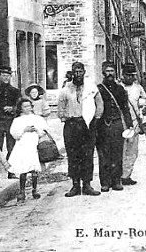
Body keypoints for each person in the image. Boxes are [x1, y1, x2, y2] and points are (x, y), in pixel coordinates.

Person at [57, 62, 103, 197]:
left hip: (87, 125)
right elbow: (61, 108)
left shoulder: (91, 87)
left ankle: (87, 185)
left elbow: (99, 103)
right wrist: (66, 116)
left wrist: (96, 118)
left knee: (87, 155)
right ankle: (75, 185)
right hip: (72, 126)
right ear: (72, 73)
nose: (78, 74)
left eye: (80, 71)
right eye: (75, 72)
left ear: (84, 72)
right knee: (73, 155)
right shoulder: (66, 89)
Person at [96, 61, 134, 192]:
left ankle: (116, 180)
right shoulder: (98, 89)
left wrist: (129, 125)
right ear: (103, 73)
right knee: (104, 154)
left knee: (117, 153)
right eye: (107, 71)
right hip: (103, 125)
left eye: (112, 71)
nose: (110, 74)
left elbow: (125, 108)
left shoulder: (120, 89)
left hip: (117, 124)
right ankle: (105, 182)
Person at [8, 98, 50, 202]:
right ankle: (22, 191)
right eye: (25, 106)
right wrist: (24, 130)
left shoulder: (37, 118)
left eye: (29, 106)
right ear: (20, 108)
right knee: (23, 169)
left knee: (34, 168)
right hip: (22, 146)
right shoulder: (17, 120)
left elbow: (44, 130)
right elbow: (14, 133)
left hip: (33, 145)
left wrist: (37, 130)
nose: (28, 108)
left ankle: (34, 189)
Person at [121, 63, 146, 186]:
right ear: (123, 75)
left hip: (134, 122)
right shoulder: (117, 87)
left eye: (132, 75)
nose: (129, 78)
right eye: (127, 75)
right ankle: (118, 175)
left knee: (132, 151)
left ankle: (126, 176)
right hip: (120, 122)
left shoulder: (138, 88)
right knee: (120, 151)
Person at [0, 66, 22, 165]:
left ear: (10, 77)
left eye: (7, 76)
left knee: (11, 146)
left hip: (11, 121)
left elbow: (20, 106)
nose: (5, 78)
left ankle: (11, 170)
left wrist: (12, 108)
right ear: (0, 76)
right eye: (3, 75)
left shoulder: (15, 91)